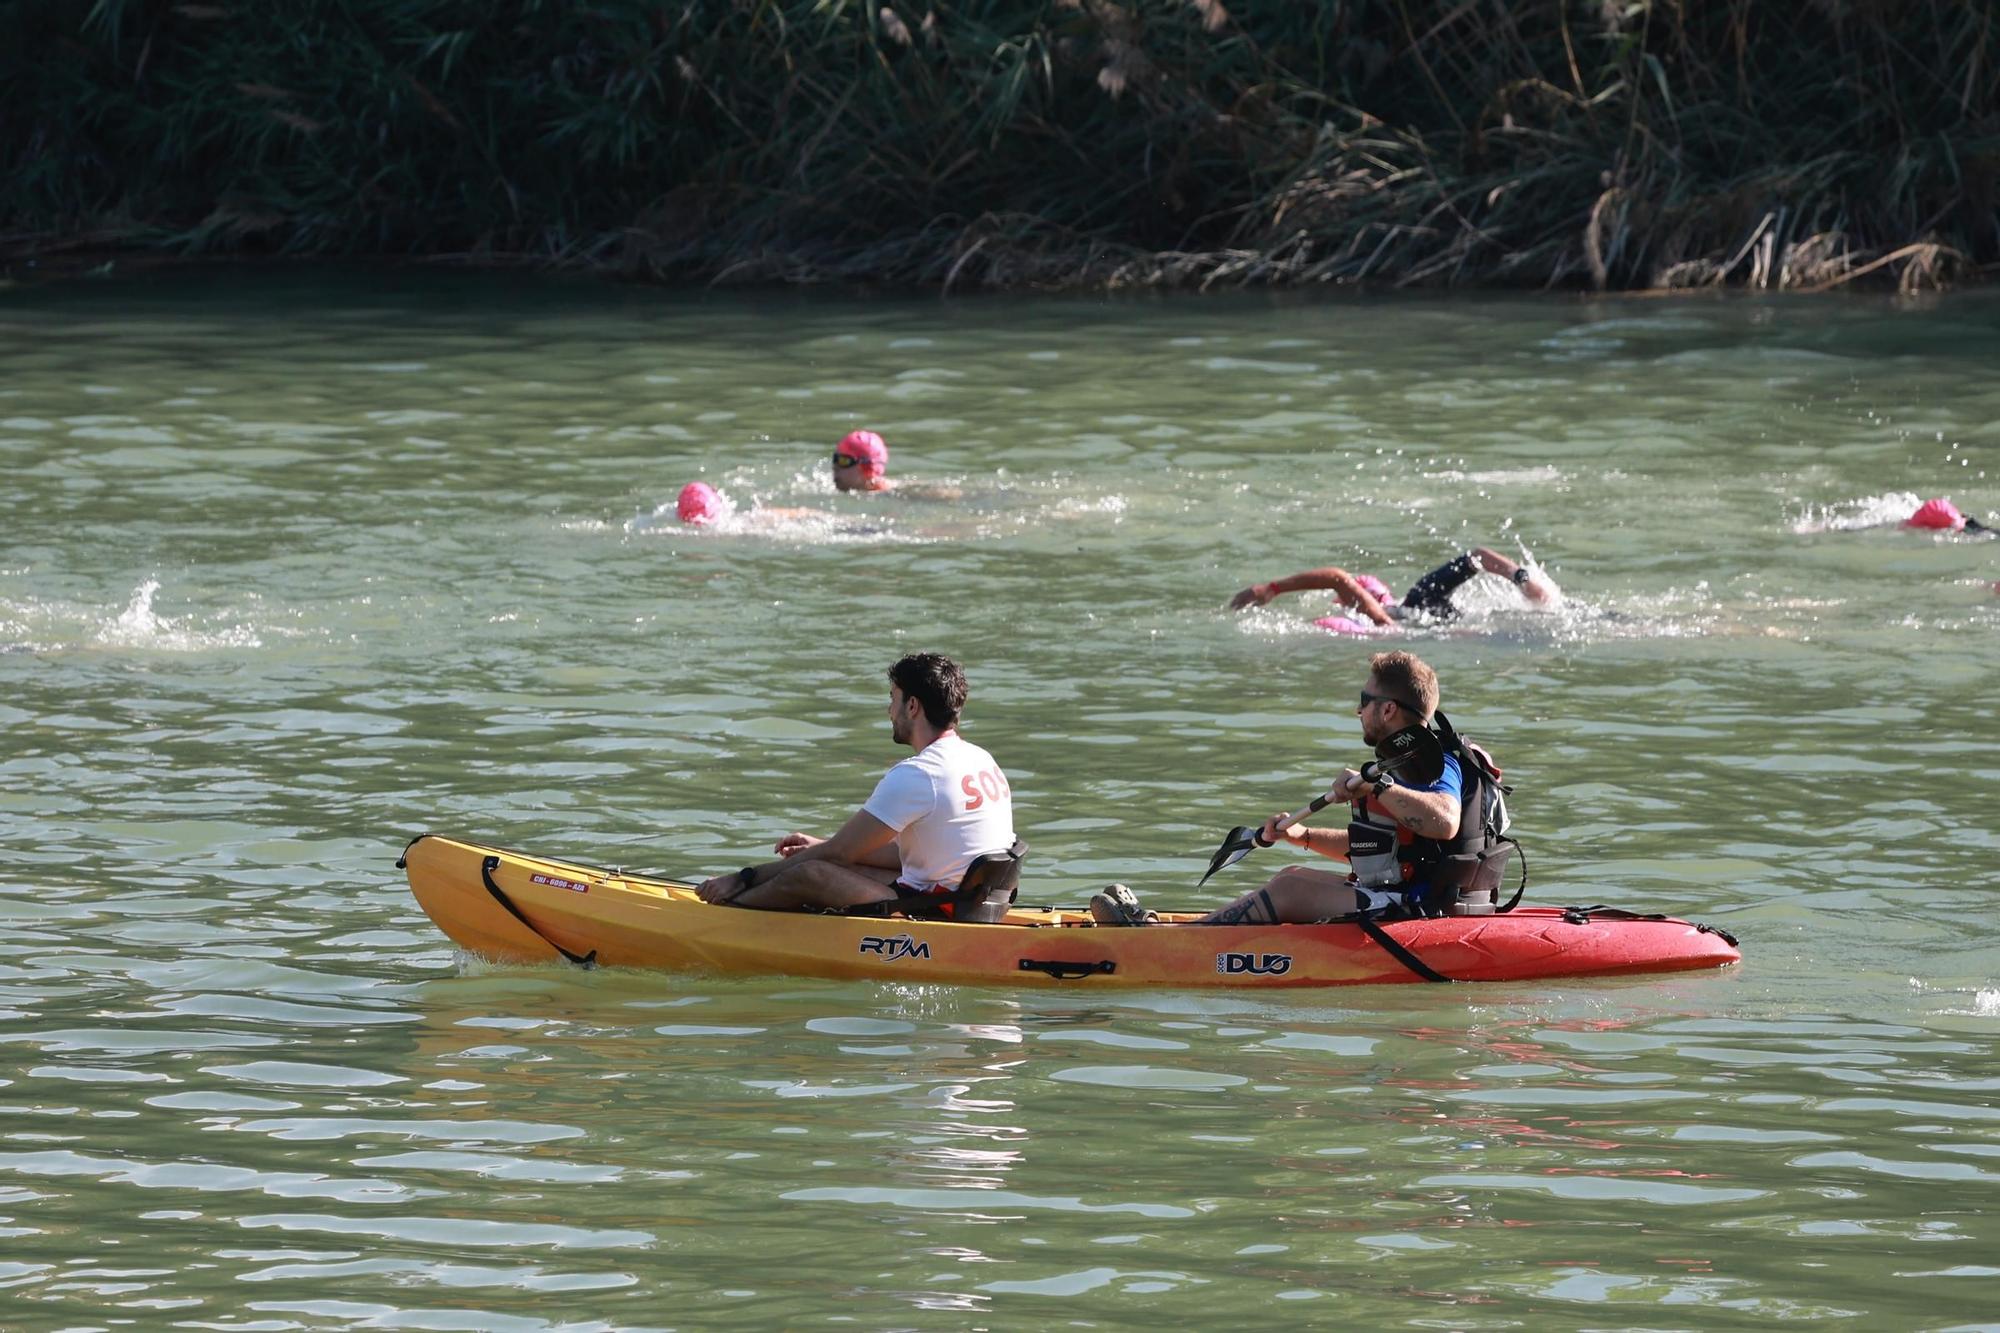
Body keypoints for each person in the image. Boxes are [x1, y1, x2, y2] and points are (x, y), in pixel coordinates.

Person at [1092, 650, 1512, 926]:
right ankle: (1177, 929)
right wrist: (1302, 836)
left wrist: (1376, 786)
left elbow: (1444, 823)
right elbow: (1385, 850)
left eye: (1364, 699)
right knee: (1293, 873)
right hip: (1411, 897)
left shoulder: (1436, 761)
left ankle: (1159, 942)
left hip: (1421, 912)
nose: (1357, 709)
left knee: (1289, 891)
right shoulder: (1407, 761)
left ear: (1387, 709)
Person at [697, 652, 1017, 914]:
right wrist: (821, 847)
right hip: (974, 905)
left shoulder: (920, 773)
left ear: (912, 706)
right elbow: (911, 855)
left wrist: (743, 876)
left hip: (935, 912)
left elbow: (837, 856)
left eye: (893, 698)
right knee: (824, 862)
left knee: (807, 873)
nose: (889, 710)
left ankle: (726, 914)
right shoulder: (980, 759)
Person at [1229, 547, 1555, 630]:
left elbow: (1336, 577)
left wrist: (1270, 588)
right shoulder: (1404, 607)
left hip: (1419, 612)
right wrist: (1523, 581)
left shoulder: (1391, 614)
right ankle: (1525, 582)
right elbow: (1479, 556)